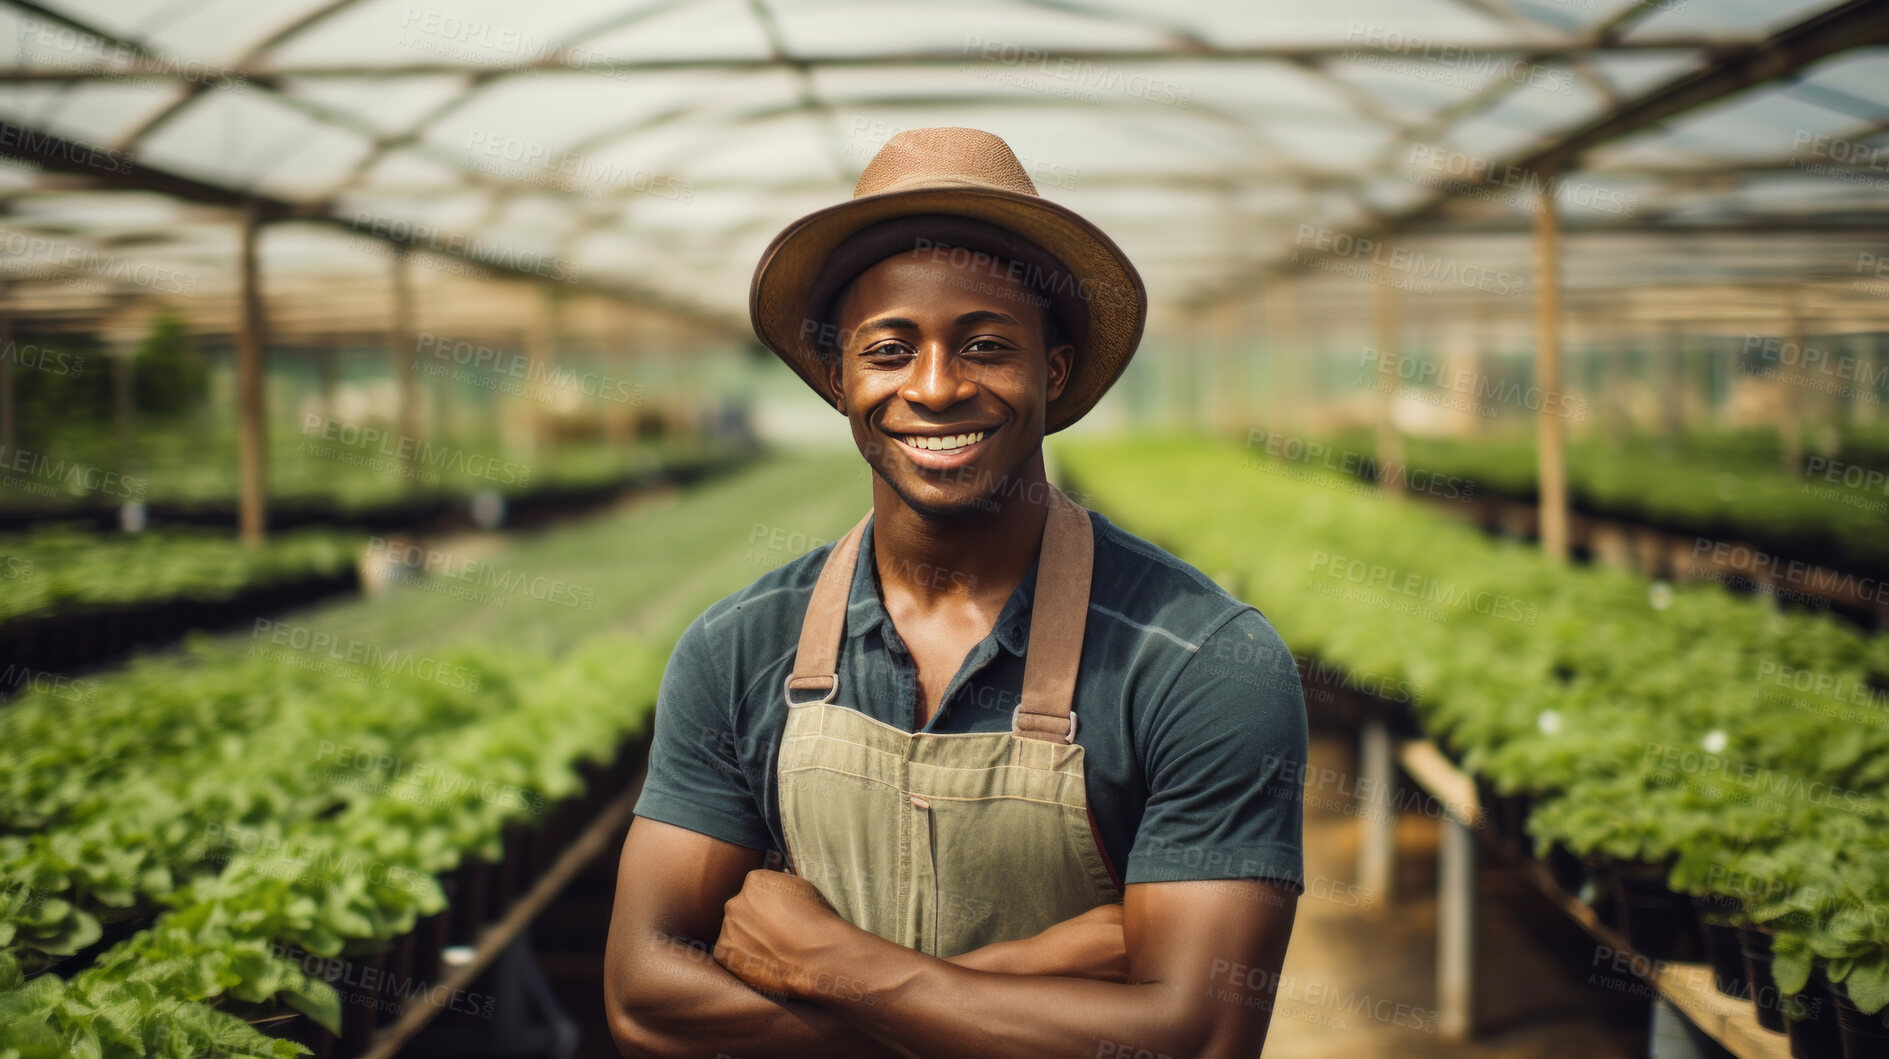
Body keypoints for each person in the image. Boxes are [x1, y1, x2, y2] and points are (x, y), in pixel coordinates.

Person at [604, 126, 1307, 1059]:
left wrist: (833, 963)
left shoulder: (1201, 661)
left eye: (984, 345)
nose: (934, 388)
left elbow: (1198, 1036)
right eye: (889, 349)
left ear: (1052, 372)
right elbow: (644, 997)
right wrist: (1024, 980)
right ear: (837, 376)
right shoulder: (738, 647)